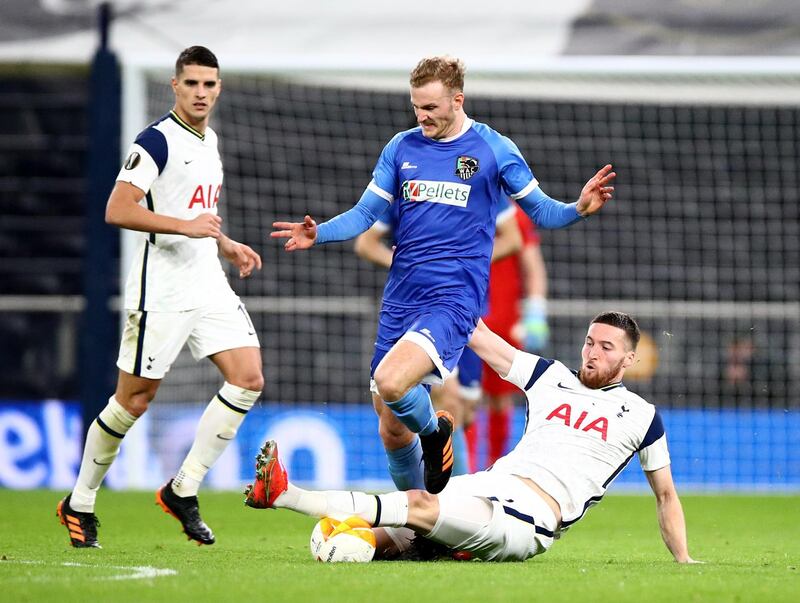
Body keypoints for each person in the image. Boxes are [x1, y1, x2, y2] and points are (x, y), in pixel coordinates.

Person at [271, 55, 615, 495]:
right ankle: (421, 523)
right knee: (391, 429)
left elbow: (543, 212)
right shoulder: (401, 147)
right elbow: (364, 215)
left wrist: (577, 210)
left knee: (395, 383)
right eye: (416, 107)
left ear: (457, 100)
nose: (422, 116)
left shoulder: (494, 149)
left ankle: (437, 435)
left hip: (454, 299)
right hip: (401, 298)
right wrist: (319, 233)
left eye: (431, 108)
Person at [243, 312, 699, 564]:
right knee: (391, 537)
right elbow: (479, 336)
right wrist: (448, 287)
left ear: (630, 358)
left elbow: (666, 496)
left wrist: (683, 561)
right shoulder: (550, 376)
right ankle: (430, 550)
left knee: (419, 506)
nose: (592, 352)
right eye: (589, 341)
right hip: (488, 483)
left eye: (606, 347)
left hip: (531, 517)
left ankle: (285, 494)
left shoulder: (643, 416)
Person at [56, 46, 264, 548]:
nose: (200, 92)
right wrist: (186, 228)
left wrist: (224, 242)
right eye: (191, 83)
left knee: (249, 378)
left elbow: (197, 211)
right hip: (162, 289)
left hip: (207, 279)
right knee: (134, 400)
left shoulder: (209, 139)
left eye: (209, 84)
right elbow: (118, 208)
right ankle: (79, 501)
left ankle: (182, 488)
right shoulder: (156, 141)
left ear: (218, 87)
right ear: (175, 85)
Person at [354, 198, 522, 484]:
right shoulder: (402, 187)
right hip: (418, 312)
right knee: (442, 401)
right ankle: (440, 506)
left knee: (464, 412)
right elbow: (365, 243)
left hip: (468, 310)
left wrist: (462, 260)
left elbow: (513, 239)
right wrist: (409, 262)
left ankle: (443, 498)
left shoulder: (481, 181)